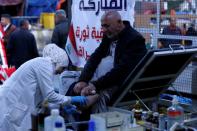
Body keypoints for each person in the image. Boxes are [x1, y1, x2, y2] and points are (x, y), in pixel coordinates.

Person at [68, 11, 147, 113]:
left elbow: (121, 71)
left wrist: (95, 85)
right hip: (106, 79)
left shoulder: (134, 40)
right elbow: (95, 57)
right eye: (102, 26)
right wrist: (83, 80)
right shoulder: (110, 35)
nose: (104, 30)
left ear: (119, 23)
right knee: (75, 86)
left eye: (107, 26)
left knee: (94, 97)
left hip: (124, 84)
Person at [0, 44, 87, 131]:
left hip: (16, 104)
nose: (62, 72)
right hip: (10, 102)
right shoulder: (45, 64)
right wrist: (72, 99)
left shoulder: (44, 65)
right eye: (63, 68)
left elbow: (43, 99)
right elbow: (50, 95)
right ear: (60, 61)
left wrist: (62, 105)